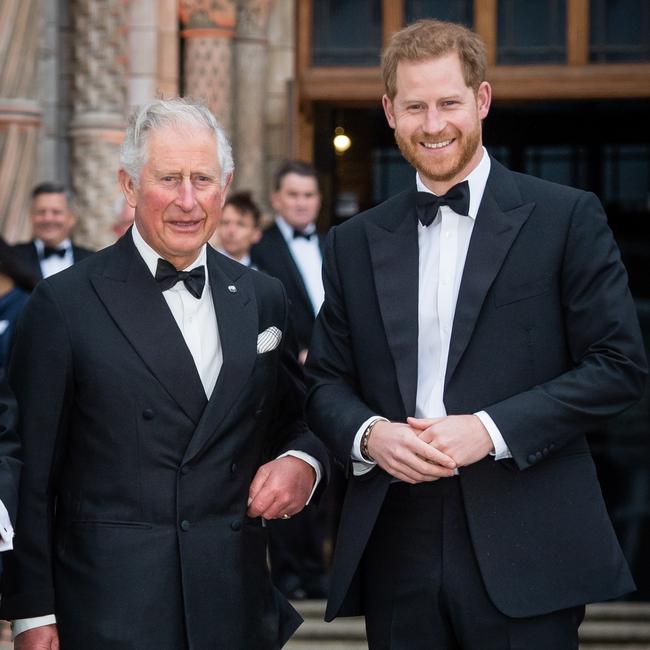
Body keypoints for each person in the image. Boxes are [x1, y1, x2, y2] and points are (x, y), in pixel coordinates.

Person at [305, 19, 648, 649]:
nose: (433, 124)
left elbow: (619, 365)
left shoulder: (566, 217)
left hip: (529, 535)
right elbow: (324, 379)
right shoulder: (352, 242)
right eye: (415, 106)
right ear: (389, 111)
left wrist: (487, 430)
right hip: (396, 540)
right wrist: (369, 435)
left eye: (448, 103)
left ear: (482, 101)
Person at [2, 97, 328, 650]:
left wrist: (303, 462)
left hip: (233, 606)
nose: (187, 200)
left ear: (224, 187)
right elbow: (25, 466)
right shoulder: (63, 303)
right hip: (108, 612)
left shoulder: (263, 298)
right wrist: (33, 612)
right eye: (168, 178)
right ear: (129, 186)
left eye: (202, 179)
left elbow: (301, 417)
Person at [251, 160, 325, 359]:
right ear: (275, 199)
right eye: (293, 195)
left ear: (319, 200)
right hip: (286, 366)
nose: (302, 203)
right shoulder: (257, 247)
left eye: (308, 195)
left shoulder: (333, 245)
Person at [12, 182, 93, 280]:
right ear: (31, 217)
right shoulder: (13, 257)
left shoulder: (90, 260)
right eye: (41, 212)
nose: (48, 219)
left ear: (71, 218)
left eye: (56, 212)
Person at [213, 190, 262, 267]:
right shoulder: (202, 270)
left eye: (240, 225)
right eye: (225, 223)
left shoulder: (263, 275)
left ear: (256, 233)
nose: (231, 231)